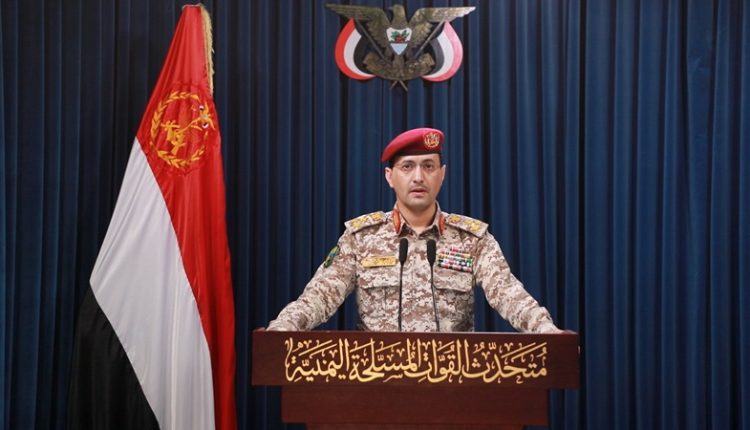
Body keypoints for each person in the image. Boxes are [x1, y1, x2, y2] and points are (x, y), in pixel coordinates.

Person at [267, 127, 560, 333]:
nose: (418, 177)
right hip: (376, 381)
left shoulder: (471, 240)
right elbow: (320, 296)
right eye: (407, 167)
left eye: (428, 166)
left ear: (442, 174)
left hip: (453, 381)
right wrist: (283, 327)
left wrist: (545, 329)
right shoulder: (362, 238)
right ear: (389, 176)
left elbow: (508, 294)